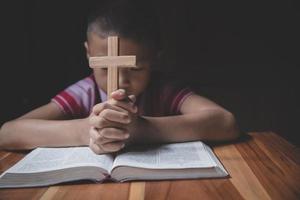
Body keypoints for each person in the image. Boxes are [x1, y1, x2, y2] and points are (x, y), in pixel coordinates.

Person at [0, 1, 239, 154]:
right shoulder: (84, 92)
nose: (121, 82)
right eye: (105, 68)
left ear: (154, 58)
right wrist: (85, 131)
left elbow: (225, 122)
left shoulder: (163, 90)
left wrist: (142, 130)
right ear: (88, 53)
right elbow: (8, 132)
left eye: (135, 69)